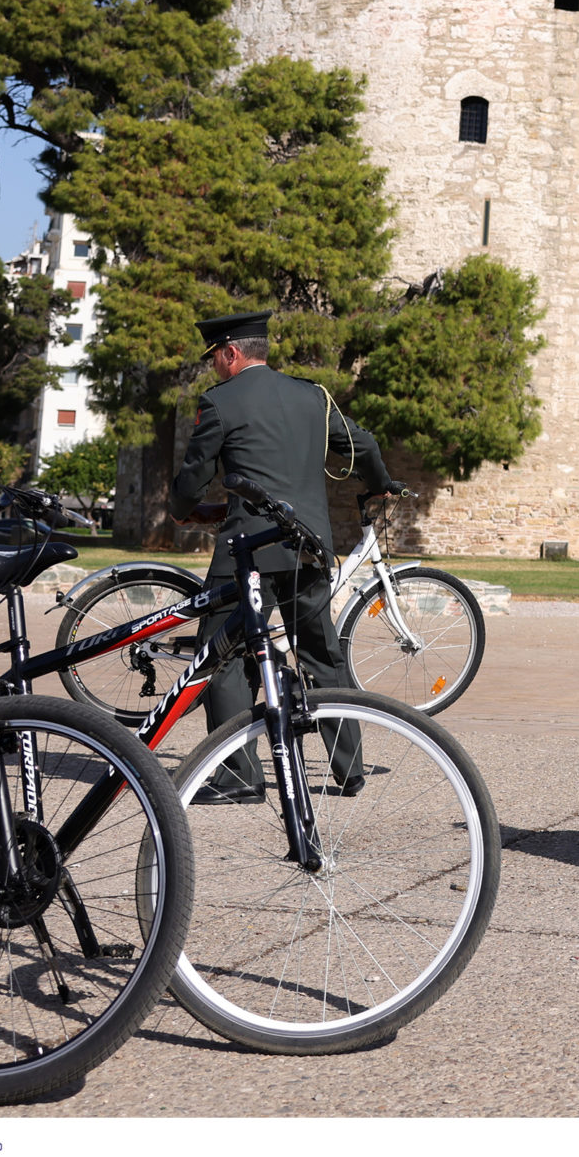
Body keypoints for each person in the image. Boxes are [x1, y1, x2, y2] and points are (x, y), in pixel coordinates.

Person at [170, 309, 393, 796]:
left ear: (231, 353)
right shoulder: (313, 396)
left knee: (223, 656)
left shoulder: (220, 402)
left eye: (215, 358)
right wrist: (381, 485)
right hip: (308, 546)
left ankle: (239, 777)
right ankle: (349, 769)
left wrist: (181, 510)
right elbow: (365, 445)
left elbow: (192, 479)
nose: (213, 367)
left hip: (245, 551)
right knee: (320, 652)